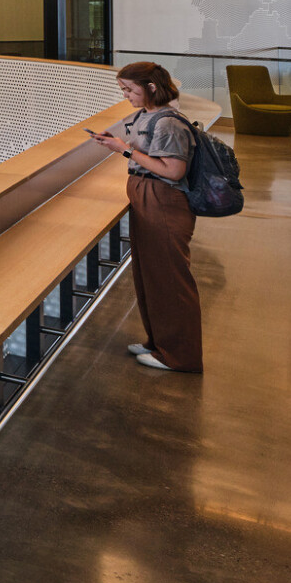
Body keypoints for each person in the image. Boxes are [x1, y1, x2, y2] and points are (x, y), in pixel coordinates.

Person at [90, 61, 203, 372]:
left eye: (129, 89)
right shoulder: (146, 116)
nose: (126, 95)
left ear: (151, 87)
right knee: (151, 277)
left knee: (170, 280)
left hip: (163, 201)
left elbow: (173, 169)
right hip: (147, 196)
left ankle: (180, 356)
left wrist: (123, 150)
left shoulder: (169, 123)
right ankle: (160, 342)